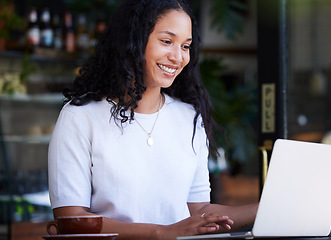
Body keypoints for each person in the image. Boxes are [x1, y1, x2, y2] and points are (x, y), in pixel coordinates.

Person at [48, 0, 258, 239]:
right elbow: (70, 220)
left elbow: (198, 211)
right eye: (167, 41)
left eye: (186, 46)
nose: (178, 57)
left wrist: (263, 210)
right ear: (133, 42)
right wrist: (160, 233)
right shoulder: (80, 118)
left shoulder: (189, 118)